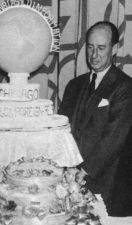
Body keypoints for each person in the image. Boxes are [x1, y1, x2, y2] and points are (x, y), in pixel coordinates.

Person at [59, 21, 132, 216]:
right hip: (69, 179)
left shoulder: (125, 87)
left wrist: (83, 172)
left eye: (101, 48)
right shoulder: (74, 85)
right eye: (90, 47)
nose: (94, 55)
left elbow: (113, 139)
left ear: (115, 48)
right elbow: (61, 131)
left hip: (106, 182)